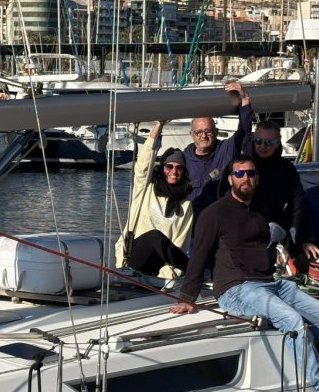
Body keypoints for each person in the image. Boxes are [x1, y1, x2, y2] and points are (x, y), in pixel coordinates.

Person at [170, 155, 319, 392]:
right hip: (237, 288)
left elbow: (281, 236)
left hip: (271, 282)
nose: (245, 178)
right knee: (292, 320)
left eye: (250, 173)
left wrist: (289, 241)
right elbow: (199, 255)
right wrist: (187, 297)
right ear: (230, 179)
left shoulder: (261, 208)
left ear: (257, 177)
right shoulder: (214, 214)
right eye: (239, 174)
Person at [116, 120, 193, 280]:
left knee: (163, 242)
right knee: (155, 236)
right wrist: (159, 126)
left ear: (184, 172)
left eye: (179, 167)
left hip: (159, 266)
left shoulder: (186, 205)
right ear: (162, 167)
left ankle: (192, 271)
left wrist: (167, 277)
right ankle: (194, 270)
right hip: (132, 258)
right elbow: (143, 165)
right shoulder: (146, 188)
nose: (174, 171)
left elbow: (180, 243)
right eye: (169, 166)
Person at [184, 80, 253, 216]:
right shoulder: (183, 159)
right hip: (192, 222)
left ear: (216, 132)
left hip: (221, 220)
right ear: (191, 134)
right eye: (198, 132)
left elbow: (244, 131)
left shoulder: (226, 150)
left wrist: (245, 99)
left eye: (208, 131)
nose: (203, 136)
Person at [246, 119, 307, 254]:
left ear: (277, 143)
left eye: (268, 142)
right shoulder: (241, 165)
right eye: (258, 141)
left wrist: (285, 228)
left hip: (273, 234)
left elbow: (297, 204)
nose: (262, 146)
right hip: (242, 233)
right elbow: (225, 197)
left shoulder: (286, 169)